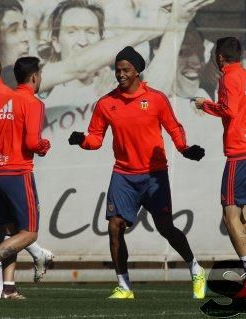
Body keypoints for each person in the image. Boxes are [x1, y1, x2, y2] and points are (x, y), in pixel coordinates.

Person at [68, 46, 207, 299]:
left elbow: (174, 127)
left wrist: (185, 149)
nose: (120, 74)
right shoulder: (106, 103)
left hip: (154, 175)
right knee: (114, 226)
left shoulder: (156, 99)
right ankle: (124, 286)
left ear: (137, 71)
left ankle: (195, 268)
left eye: (126, 70)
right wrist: (81, 140)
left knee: (166, 228)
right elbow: (95, 140)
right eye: (117, 70)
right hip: (123, 175)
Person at [193, 37, 246, 299]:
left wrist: (203, 104)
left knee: (229, 216)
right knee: (244, 215)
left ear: (220, 58)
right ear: (239, 55)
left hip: (240, 154)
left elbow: (228, 110)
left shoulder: (227, 77)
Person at [0, 55, 54, 299]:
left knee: (12, 231)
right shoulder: (34, 103)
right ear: (35, 77)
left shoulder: (1, 100)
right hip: (18, 172)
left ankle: (8, 288)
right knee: (29, 233)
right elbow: (31, 142)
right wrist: (43, 145)